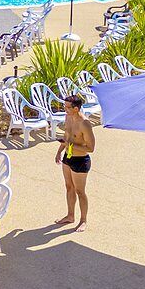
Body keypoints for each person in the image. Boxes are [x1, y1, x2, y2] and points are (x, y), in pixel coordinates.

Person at [54, 95, 95, 232]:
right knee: (69, 187)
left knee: (80, 191)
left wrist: (70, 145)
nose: (64, 109)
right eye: (64, 106)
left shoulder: (85, 124)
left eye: (67, 107)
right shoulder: (68, 117)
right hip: (68, 157)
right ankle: (70, 216)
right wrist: (59, 151)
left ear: (76, 108)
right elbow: (67, 136)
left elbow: (91, 148)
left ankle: (83, 220)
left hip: (80, 161)